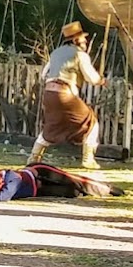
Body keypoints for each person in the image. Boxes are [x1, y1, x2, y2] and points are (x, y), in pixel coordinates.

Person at [27, 21, 106, 169]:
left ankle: (34, 157)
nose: (85, 41)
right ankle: (88, 159)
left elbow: (44, 74)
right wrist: (102, 81)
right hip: (65, 95)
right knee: (91, 122)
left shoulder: (56, 52)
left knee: (52, 124)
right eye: (83, 38)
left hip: (49, 93)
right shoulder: (80, 54)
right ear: (76, 40)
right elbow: (92, 78)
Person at [0, 162, 125, 201]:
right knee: (71, 192)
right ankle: (84, 193)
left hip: (38, 173)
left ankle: (107, 189)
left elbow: (4, 196)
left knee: (73, 180)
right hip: (36, 190)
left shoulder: (12, 177)